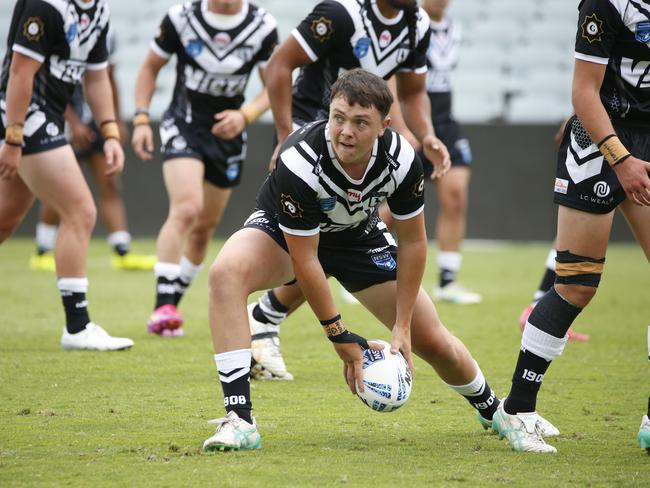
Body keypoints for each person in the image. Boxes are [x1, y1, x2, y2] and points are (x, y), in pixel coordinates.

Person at [202, 69, 541, 452]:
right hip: (285, 234)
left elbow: (413, 241)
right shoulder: (299, 159)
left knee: (435, 341)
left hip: (358, 236)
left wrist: (403, 324)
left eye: (360, 122)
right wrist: (340, 336)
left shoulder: (401, 159)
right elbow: (308, 261)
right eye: (338, 118)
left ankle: (495, 410)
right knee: (225, 273)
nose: (345, 131)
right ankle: (240, 419)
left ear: (384, 125)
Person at [246, 0, 452, 380]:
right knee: (320, 244)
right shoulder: (341, 15)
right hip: (315, 139)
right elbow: (279, 64)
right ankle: (264, 316)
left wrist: (427, 135)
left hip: (359, 139)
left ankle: (266, 314)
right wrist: (284, 135)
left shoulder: (418, 24)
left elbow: (413, 91)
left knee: (334, 243)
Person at [492, 0, 650, 453]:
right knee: (577, 284)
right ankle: (518, 409)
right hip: (600, 145)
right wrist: (620, 159)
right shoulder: (607, 2)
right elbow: (584, 91)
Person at [131, 0, 278, 337]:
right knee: (187, 208)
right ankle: (162, 305)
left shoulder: (262, 25)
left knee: (203, 229)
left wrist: (245, 116)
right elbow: (150, 67)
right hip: (183, 126)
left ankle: (170, 310)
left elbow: (275, 83)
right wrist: (141, 117)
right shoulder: (181, 17)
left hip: (227, 136)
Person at [0, 0, 134, 351]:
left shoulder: (99, 11)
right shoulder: (46, 6)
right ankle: (77, 326)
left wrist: (111, 133)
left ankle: (78, 327)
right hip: (24, 115)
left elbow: (96, 77)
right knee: (80, 211)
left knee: (5, 220)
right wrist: (13, 137)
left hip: (44, 117)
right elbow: (19, 72)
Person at [30, 27, 156, 273]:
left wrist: (115, 120)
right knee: (60, 189)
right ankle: (42, 251)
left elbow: (109, 77)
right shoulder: (56, 25)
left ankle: (122, 251)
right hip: (61, 120)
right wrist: (74, 123)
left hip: (98, 121)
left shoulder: (106, 31)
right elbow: (44, 80)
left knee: (109, 184)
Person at [419, 0, 481, 305]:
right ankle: (361, 271)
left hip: (446, 122)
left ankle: (447, 280)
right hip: (414, 123)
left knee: (456, 197)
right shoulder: (409, 23)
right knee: (391, 209)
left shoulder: (454, 29)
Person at [518, 119, 590, 342]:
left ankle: (537, 305)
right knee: (584, 219)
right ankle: (538, 307)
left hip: (619, 138)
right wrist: (576, 116)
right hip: (607, 141)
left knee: (585, 222)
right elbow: (596, 87)